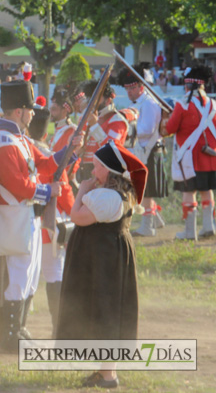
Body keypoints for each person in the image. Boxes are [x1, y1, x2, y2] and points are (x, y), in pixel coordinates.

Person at [0, 80, 83, 353]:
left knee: (29, 276)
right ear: (18, 111)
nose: (33, 114)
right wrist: (48, 189)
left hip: (25, 214)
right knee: (19, 276)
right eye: (29, 109)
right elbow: (17, 183)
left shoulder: (19, 138)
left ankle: (17, 328)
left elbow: (42, 164)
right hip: (14, 214)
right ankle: (8, 335)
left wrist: (69, 151)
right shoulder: (3, 141)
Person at [56, 142, 145, 389]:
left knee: (104, 309)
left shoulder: (106, 197)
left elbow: (78, 217)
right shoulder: (122, 194)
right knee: (107, 308)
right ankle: (106, 371)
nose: (93, 172)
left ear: (108, 170)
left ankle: (108, 376)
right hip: (109, 256)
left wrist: (81, 191)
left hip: (102, 259)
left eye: (97, 167)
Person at [115, 65, 169, 238]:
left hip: (151, 150)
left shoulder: (150, 103)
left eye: (132, 88)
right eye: (127, 88)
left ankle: (148, 227)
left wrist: (127, 124)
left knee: (146, 191)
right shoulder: (138, 103)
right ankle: (156, 221)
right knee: (143, 189)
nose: (129, 91)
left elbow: (147, 129)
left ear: (141, 86)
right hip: (142, 151)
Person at [40, 87, 77, 334]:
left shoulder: (71, 131)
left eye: (55, 108)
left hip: (64, 184)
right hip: (53, 192)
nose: (52, 113)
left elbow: (68, 163)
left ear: (65, 108)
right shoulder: (58, 133)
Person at [165, 65, 216, 240]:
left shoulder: (183, 105)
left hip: (190, 159)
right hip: (210, 157)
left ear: (188, 85)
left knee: (189, 193)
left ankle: (189, 232)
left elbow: (170, 128)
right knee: (207, 190)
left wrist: (168, 117)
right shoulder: (213, 105)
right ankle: (209, 227)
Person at [75, 78, 128, 183]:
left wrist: (94, 125)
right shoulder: (88, 118)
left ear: (108, 100)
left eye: (97, 99)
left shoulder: (116, 120)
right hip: (86, 170)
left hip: (106, 173)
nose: (93, 103)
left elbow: (111, 149)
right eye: (91, 98)